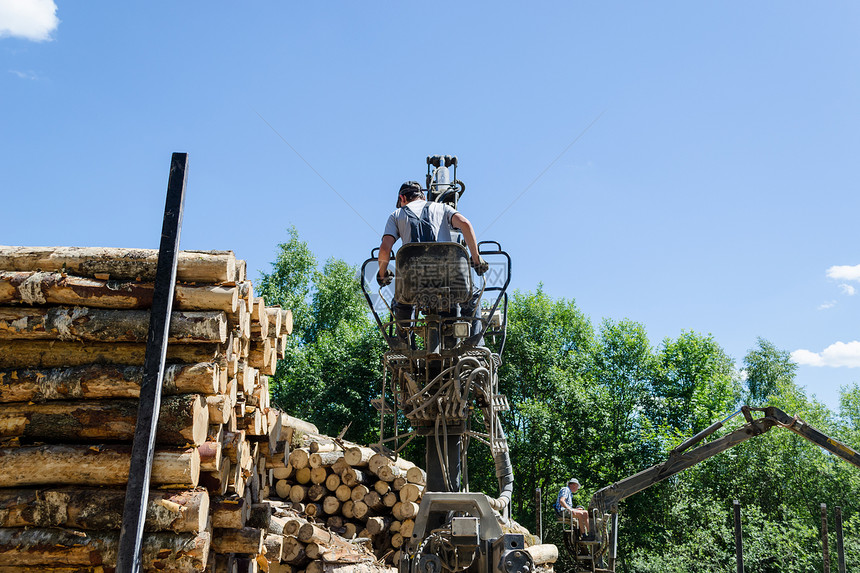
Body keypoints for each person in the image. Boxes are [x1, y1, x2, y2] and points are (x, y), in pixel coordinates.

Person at [376, 181, 487, 347]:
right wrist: (477, 260)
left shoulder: (396, 214)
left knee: (401, 302)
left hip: (413, 282)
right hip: (450, 280)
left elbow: (385, 248)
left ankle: (406, 346)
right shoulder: (442, 208)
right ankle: (475, 345)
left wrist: (382, 274)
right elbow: (465, 224)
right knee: (472, 296)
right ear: (424, 196)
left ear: (402, 198)